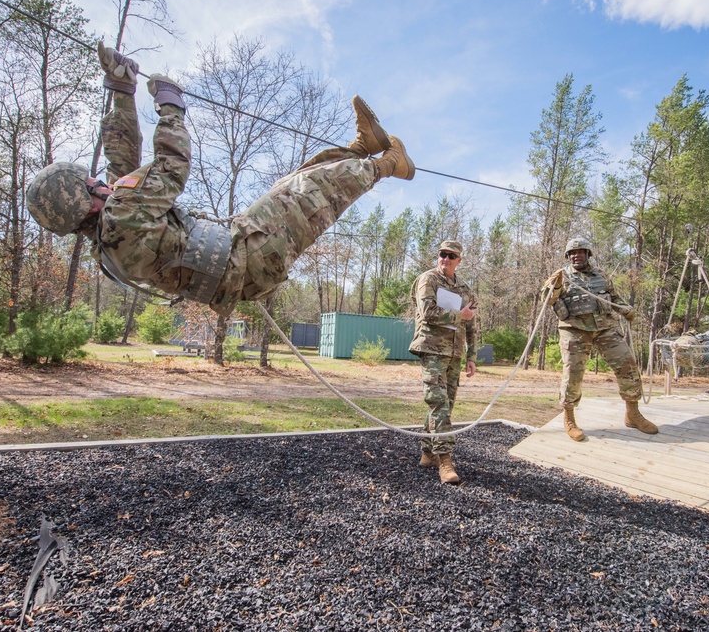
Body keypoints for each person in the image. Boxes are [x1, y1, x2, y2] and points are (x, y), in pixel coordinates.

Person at [26, 43, 414, 316]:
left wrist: (122, 91)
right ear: (85, 198)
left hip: (240, 255)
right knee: (313, 192)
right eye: (90, 181)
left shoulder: (108, 232)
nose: (99, 180)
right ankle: (390, 163)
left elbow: (122, 160)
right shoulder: (122, 217)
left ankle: (363, 146)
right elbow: (172, 165)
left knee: (293, 184)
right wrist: (170, 107)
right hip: (246, 259)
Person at [540, 237, 658, 441]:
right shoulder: (561, 276)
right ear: (568, 257)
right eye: (572, 253)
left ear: (588, 255)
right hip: (574, 329)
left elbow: (613, 298)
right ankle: (569, 418)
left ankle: (633, 414)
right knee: (573, 373)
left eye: (581, 252)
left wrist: (626, 310)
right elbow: (547, 300)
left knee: (627, 364)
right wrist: (556, 287)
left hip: (604, 328)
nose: (577, 255)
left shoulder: (601, 276)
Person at [408, 240, 478, 484]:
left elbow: (472, 326)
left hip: (455, 354)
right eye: (442, 254)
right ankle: (445, 461)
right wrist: (460, 314)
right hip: (433, 350)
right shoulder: (428, 280)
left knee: (446, 403)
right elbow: (427, 311)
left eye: (451, 256)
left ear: (459, 260)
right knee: (439, 403)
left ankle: (428, 453)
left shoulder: (466, 289)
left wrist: (471, 356)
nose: (445, 259)